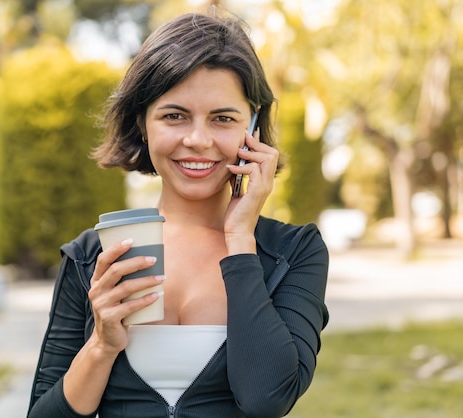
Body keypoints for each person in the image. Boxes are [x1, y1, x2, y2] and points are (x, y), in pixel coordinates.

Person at [28, 9, 329, 418]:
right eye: (174, 115)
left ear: (253, 127)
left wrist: (241, 240)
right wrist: (101, 345)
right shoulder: (93, 255)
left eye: (223, 118)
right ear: (143, 122)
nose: (198, 140)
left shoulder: (293, 252)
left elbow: (266, 398)